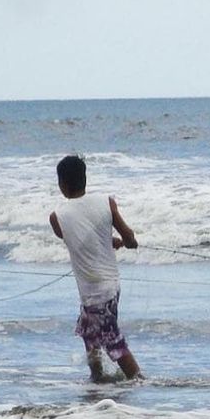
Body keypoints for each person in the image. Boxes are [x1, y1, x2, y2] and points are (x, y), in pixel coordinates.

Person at [49, 154, 141, 382]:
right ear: (85, 179)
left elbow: (76, 238)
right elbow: (128, 236)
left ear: (62, 184)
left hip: (96, 292)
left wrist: (109, 241)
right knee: (88, 331)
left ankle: (139, 381)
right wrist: (126, 242)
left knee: (113, 342)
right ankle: (97, 378)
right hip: (110, 286)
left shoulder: (57, 218)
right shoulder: (106, 202)